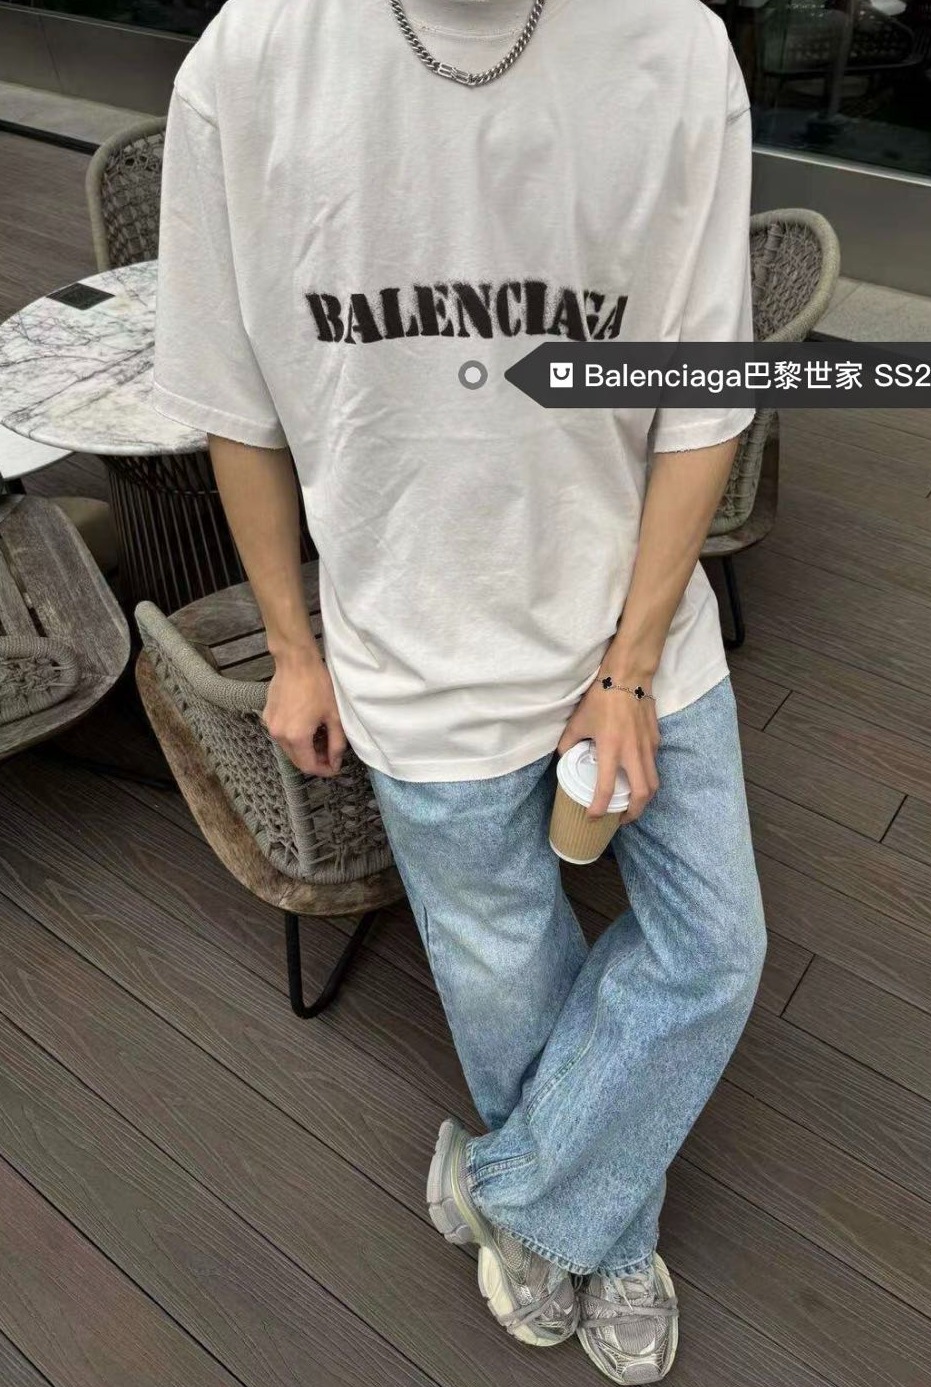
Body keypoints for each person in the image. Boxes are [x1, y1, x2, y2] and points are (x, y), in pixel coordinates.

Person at [151, 0, 767, 1379]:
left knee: (715, 950)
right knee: (510, 989)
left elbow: (703, 394)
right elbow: (236, 402)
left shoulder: (672, 45)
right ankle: (604, 1234)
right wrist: (293, 649)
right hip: (413, 653)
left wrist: (627, 667)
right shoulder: (249, 59)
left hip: (637, 632)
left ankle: (510, 1193)